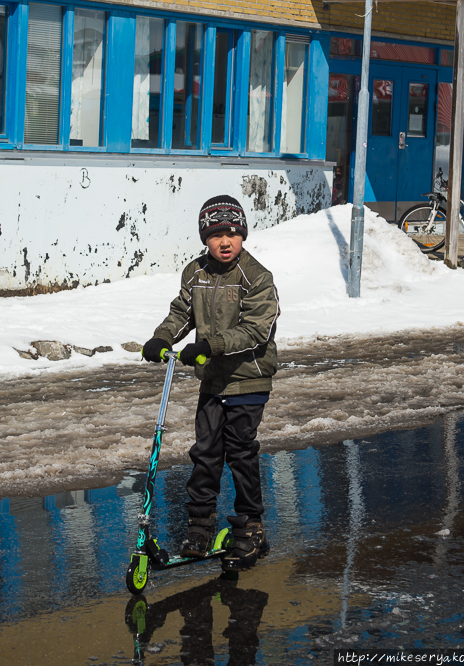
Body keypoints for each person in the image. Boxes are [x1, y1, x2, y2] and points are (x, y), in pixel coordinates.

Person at [141, 195, 279, 572]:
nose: (225, 241)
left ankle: (250, 526)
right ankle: (199, 527)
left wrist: (209, 345)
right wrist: (163, 338)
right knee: (204, 453)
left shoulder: (257, 277)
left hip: (249, 379)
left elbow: (256, 330)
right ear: (205, 237)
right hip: (214, 381)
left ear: (243, 235)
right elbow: (181, 312)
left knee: (240, 453)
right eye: (216, 234)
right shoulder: (195, 272)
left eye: (232, 233)